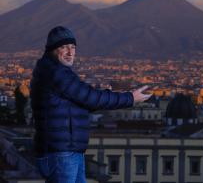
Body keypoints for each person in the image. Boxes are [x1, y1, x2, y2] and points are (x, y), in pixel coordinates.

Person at [30, 26, 151, 183]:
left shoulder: (52, 70)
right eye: (64, 47)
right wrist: (130, 98)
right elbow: (90, 98)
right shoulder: (57, 73)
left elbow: (81, 102)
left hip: (67, 150)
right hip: (61, 152)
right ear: (52, 49)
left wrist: (105, 97)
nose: (70, 52)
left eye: (73, 47)